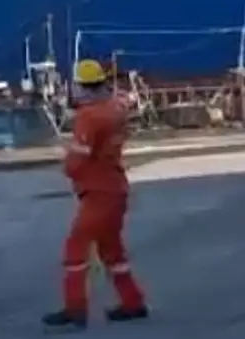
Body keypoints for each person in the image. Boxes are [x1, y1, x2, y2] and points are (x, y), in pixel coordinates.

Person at [42, 59, 148, 329]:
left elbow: (79, 158)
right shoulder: (115, 108)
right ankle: (132, 302)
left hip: (98, 191)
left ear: (81, 86)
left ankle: (75, 307)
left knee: (75, 249)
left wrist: (68, 168)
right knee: (112, 250)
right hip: (115, 188)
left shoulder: (89, 117)